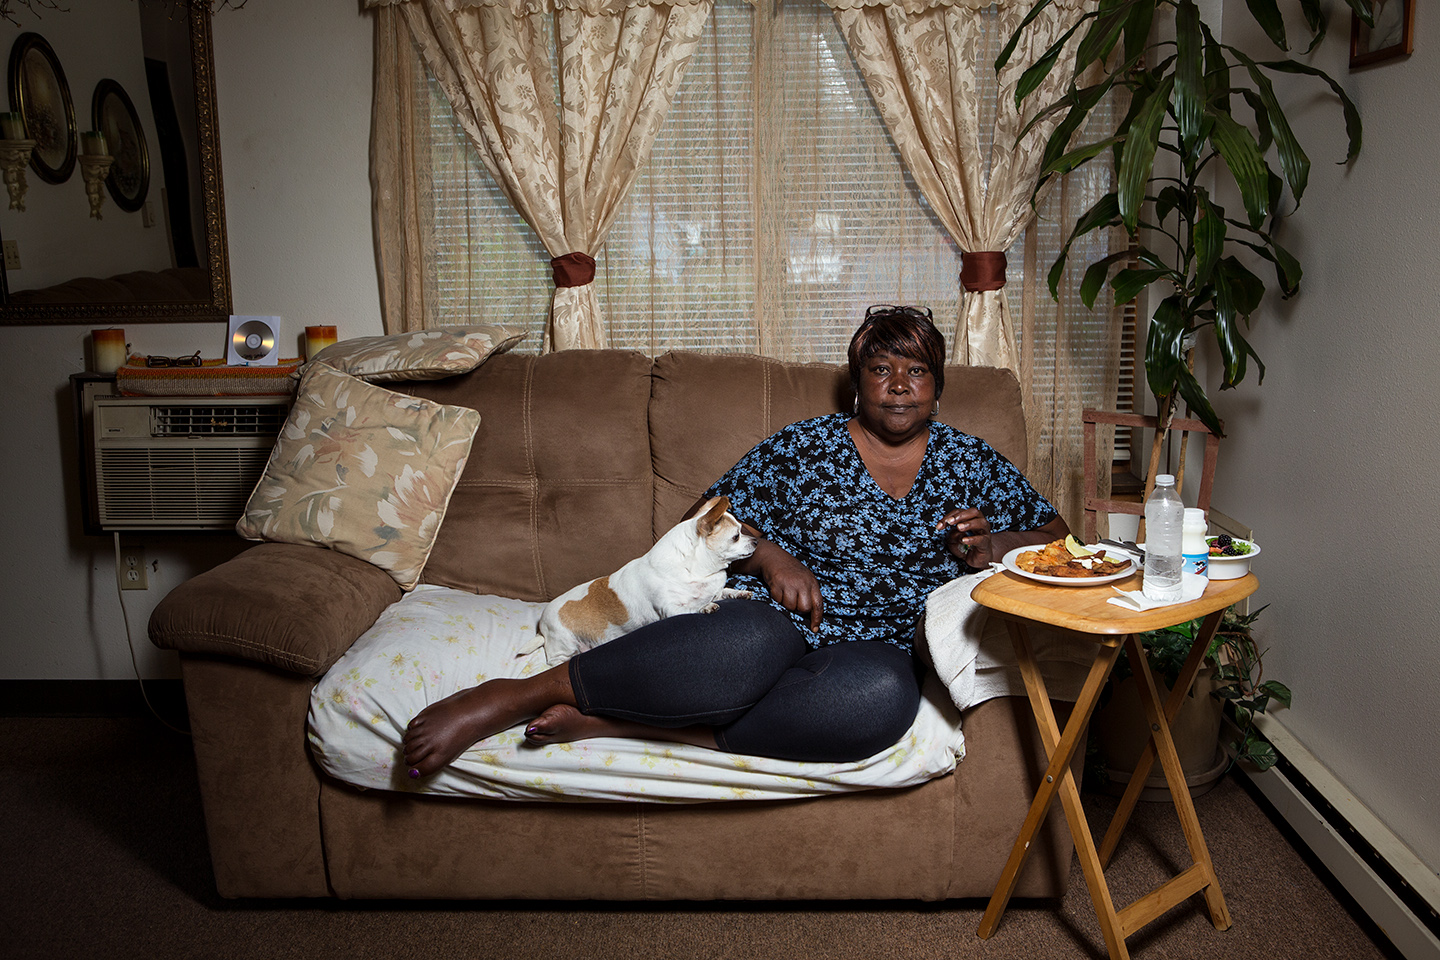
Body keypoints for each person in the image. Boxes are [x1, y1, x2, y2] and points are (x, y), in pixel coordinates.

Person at [401, 305, 1069, 778]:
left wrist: (993, 547)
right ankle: (513, 695)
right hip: (777, 616)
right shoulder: (804, 446)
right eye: (880, 368)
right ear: (857, 381)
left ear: (938, 386)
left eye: (916, 370)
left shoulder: (969, 459)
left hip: (884, 644)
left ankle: (619, 722)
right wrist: (772, 557)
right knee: (738, 650)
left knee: (877, 706)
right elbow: (703, 514)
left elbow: (1058, 537)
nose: (898, 384)